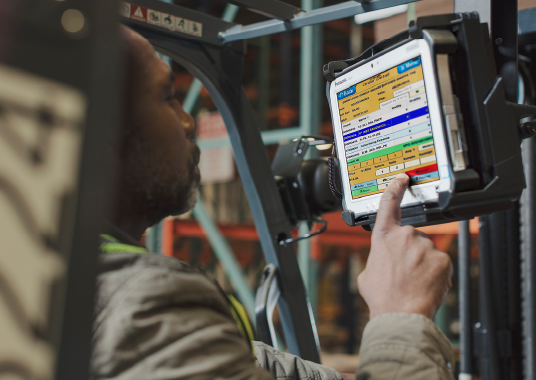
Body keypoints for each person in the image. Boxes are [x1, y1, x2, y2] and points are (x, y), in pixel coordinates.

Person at [90, 27, 454, 380]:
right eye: (168, 97)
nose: (187, 122)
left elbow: (233, 359)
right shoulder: (140, 303)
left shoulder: (90, 280)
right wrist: (400, 316)